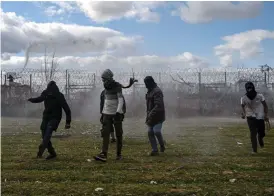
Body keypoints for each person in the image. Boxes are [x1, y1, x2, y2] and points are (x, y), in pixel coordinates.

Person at [28, 81, 71, 160]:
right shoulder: (48, 93)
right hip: (47, 117)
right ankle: (52, 153)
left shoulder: (57, 95)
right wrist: (32, 100)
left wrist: (68, 122)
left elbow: (66, 109)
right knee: (45, 135)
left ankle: (41, 150)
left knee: (47, 134)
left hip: (55, 117)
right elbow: (40, 99)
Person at [94, 69, 128, 162]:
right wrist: (102, 114)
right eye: (102, 79)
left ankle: (119, 154)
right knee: (105, 134)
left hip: (116, 114)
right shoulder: (105, 89)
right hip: (106, 114)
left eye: (104, 79)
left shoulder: (117, 86)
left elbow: (120, 100)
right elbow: (105, 102)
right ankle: (103, 154)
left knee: (118, 134)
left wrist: (118, 112)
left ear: (108, 78)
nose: (103, 81)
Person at [99, 77, 137, 143]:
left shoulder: (116, 90)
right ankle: (113, 137)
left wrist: (121, 111)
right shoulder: (104, 93)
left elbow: (121, 101)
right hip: (109, 111)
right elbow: (102, 103)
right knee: (109, 124)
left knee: (116, 124)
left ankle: (117, 137)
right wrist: (102, 113)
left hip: (116, 111)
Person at [241, 81, 268, 154]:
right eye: (248, 88)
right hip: (250, 116)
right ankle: (254, 150)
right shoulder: (243, 98)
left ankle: (260, 137)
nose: (250, 90)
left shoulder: (260, 96)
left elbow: (265, 106)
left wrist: (266, 115)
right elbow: (242, 106)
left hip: (260, 116)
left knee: (262, 132)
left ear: (253, 88)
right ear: (246, 89)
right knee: (253, 133)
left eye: (251, 88)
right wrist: (243, 113)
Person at [144, 76, 166, 156]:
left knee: (156, 131)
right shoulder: (149, 91)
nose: (145, 85)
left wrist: (150, 113)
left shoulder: (157, 91)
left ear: (150, 83)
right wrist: (148, 114)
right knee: (150, 132)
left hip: (158, 116)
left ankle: (162, 145)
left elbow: (158, 105)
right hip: (151, 116)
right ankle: (155, 150)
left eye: (146, 83)